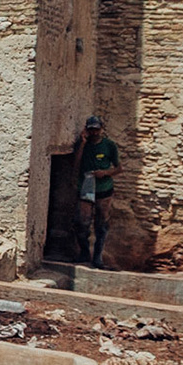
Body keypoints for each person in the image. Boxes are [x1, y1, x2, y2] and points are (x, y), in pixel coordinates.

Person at [75, 114, 121, 269]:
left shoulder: (109, 145)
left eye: (96, 129)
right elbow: (76, 163)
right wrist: (82, 143)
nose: (94, 133)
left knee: (101, 224)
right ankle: (84, 253)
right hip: (87, 187)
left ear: (101, 129)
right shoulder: (84, 145)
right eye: (91, 130)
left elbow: (119, 168)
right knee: (82, 222)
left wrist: (106, 173)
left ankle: (97, 258)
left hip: (104, 189)